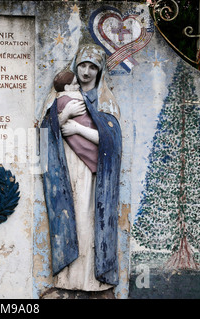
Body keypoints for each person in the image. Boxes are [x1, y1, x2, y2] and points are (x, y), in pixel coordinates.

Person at [40, 43, 122, 292]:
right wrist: (64, 116)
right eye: (83, 65)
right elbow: (43, 134)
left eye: (92, 67)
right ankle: (65, 280)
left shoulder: (105, 100)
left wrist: (77, 128)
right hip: (63, 167)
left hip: (91, 172)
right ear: (76, 66)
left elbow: (112, 141)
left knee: (87, 222)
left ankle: (91, 281)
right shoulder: (59, 96)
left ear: (99, 71)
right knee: (66, 220)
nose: (86, 72)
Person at [53, 70, 98, 173]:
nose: (78, 86)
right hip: (70, 153)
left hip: (83, 156)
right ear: (66, 88)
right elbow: (47, 129)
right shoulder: (66, 100)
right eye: (75, 83)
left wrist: (77, 128)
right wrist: (66, 114)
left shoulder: (82, 99)